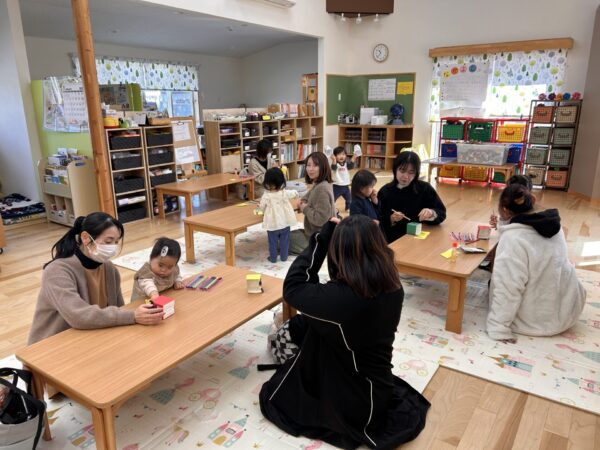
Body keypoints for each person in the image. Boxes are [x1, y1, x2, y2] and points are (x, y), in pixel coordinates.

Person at [260, 215, 430, 449]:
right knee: (306, 324)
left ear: (339, 253)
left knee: (279, 381)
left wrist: (322, 238)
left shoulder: (341, 299)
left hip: (354, 403)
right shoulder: (393, 285)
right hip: (376, 386)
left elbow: (293, 287)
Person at [28, 212, 163, 345]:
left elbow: (118, 308)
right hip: (53, 345)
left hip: (91, 336)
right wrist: (132, 316)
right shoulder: (57, 271)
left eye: (116, 242)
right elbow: (78, 316)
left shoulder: (110, 269)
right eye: (108, 241)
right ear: (86, 238)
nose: (112, 247)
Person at [486, 184, 586, 342]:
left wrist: (498, 328)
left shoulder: (513, 239)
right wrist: (502, 223)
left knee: (500, 280)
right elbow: (522, 225)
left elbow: (508, 288)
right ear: (532, 200)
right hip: (567, 312)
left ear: (504, 210)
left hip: (535, 322)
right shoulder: (553, 226)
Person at [378, 152, 446, 243]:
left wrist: (431, 213)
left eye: (411, 172)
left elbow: (441, 212)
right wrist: (391, 218)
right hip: (393, 240)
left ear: (416, 173)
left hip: (420, 239)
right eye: (402, 171)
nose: (405, 176)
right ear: (395, 169)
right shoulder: (385, 191)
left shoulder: (425, 189)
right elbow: (377, 219)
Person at [289, 152, 337, 255]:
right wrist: (303, 201)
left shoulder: (322, 188)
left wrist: (304, 208)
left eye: (315, 165)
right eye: (308, 165)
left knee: (281, 240)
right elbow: (308, 195)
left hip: (320, 238)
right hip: (318, 233)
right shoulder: (321, 183)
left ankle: (317, 250)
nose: (310, 169)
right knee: (285, 235)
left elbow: (320, 219)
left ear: (323, 167)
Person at [258, 167, 300, 263]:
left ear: (267, 183)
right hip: (285, 223)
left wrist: (259, 207)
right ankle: (284, 257)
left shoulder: (266, 195)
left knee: (272, 242)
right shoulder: (284, 193)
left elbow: (261, 207)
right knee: (285, 241)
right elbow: (294, 193)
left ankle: (273, 258)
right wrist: (297, 194)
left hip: (272, 225)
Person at [131, 237, 184, 301]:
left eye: (169, 267)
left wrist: (178, 281)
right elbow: (147, 284)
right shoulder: (146, 272)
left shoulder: (174, 268)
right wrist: (153, 293)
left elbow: (176, 274)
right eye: (160, 265)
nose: (164, 270)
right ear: (151, 258)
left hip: (162, 295)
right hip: (142, 300)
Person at [330, 146, 358, 211]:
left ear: (346, 156)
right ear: (335, 156)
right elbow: (334, 167)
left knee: (349, 198)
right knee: (333, 199)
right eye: (339, 154)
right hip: (337, 186)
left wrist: (354, 157)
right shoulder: (335, 164)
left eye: (343, 154)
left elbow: (350, 166)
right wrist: (333, 160)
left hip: (345, 186)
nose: (341, 156)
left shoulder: (346, 164)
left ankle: (348, 207)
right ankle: (331, 208)